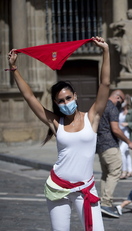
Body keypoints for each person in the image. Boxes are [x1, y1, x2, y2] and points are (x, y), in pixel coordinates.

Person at [7, 36, 110, 231]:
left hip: (85, 188)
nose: (65, 103)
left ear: (75, 96)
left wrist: (105, 51)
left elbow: (104, 85)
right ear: (56, 103)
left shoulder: (92, 118)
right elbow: (29, 97)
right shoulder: (56, 122)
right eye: (60, 101)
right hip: (57, 188)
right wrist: (14, 69)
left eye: (68, 98)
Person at [96, 89, 132, 218]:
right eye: (122, 101)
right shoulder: (112, 108)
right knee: (115, 173)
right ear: (118, 98)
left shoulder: (100, 106)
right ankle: (106, 203)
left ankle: (102, 202)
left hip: (100, 146)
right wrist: (129, 142)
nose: (122, 104)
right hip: (110, 145)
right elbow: (115, 129)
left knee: (105, 174)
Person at [109, 8, 132, 74]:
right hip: (125, 39)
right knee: (124, 52)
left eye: (131, 13)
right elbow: (111, 26)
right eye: (128, 13)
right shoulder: (124, 22)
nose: (129, 14)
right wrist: (117, 25)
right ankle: (124, 68)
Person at [119, 94, 132, 179]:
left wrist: (127, 124)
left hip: (127, 135)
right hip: (120, 135)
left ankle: (124, 171)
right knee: (126, 153)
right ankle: (130, 171)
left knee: (121, 152)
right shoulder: (119, 111)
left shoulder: (131, 112)